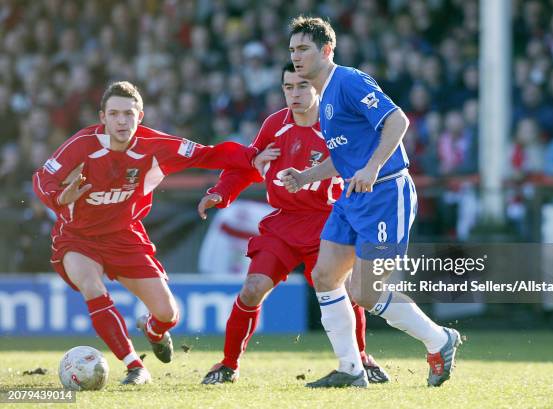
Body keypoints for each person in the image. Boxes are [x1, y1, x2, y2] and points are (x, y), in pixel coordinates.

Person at [32, 81, 274, 385]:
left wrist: (252, 158)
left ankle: (154, 330)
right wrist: (59, 198)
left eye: (128, 114)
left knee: (168, 314)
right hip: (77, 237)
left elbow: (207, 155)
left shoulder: (155, 146)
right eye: (115, 114)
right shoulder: (82, 145)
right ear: (102, 117)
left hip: (123, 235)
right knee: (92, 288)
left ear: (141, 116)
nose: (122, 121)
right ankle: (136, 366)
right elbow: (42, 179)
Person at [282, 16, 462, 388]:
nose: (296, 56)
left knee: (365, 291)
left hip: (384, 192)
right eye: (292, 50)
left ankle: (439, 340)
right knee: (324, 276)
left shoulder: (347, 80)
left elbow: (397, 120)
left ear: (327, 50)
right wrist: (304, 178)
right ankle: (351, 370)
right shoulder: (326, 95)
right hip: (353, 195)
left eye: (304, 49)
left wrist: (373, 167)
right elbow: (344, 156)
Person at [197, 62, 389, 385]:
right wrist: (220, 192)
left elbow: (359, 165)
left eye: (301, 86)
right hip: (283, 223)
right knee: (252, 289)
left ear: (317, 86)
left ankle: (360, 359)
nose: (295, 94)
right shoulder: (274, 124)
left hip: (328, 223)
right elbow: (248, 164)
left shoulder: (335, 124)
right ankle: (228, 364)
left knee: (341, 292)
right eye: (288, 87)